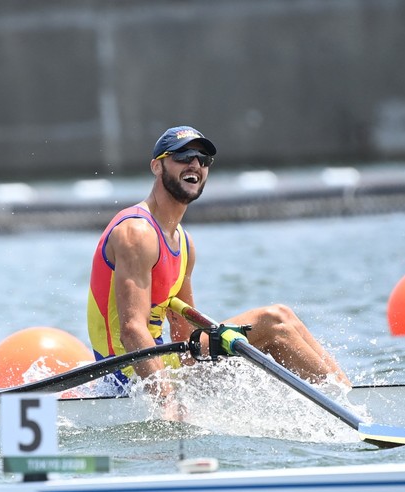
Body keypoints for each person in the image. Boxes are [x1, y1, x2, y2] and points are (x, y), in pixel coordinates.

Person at [87, 126, 351, 399]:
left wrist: (199, 380)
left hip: (164, 367)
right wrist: (168, 402)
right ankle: (344, 403)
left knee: (284, 317)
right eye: (183, 156)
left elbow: (184, 333)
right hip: (127, 378)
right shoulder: (137, 232)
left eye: (203, 160)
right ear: (157, 166)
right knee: (273, 322)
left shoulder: (184, 243)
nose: (195, 164)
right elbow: (132, 330)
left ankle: (346, 395)